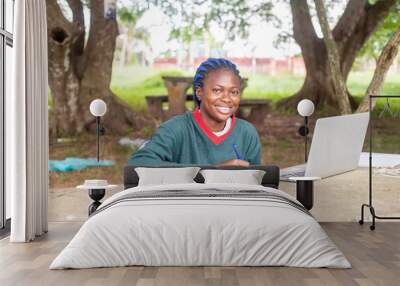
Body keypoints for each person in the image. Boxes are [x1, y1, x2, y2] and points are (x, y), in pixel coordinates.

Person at [128, 58, 261, 166]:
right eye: (217, 90)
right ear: (199, 92)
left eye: (234, 92)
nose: (226, 98)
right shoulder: (176, 128)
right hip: (185, 199)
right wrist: (212, 172)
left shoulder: (247, 133)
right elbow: (138, 164)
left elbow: (257, 181)